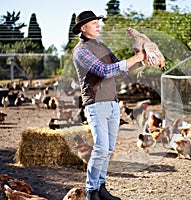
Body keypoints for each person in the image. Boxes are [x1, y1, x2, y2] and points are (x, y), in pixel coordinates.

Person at [72, 10, 144, 200]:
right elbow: (103, 70)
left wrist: (141, 57)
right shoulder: (81, 51)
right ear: (83, 28)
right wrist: (135, 59)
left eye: (98, 22)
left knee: (108, 150)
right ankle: (91, 191)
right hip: (95, 105)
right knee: (101, 148)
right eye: (94, 22)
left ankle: (100, 188)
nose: (98, 25)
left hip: (112, 104)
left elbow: (121, 70)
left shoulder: (102, 46)